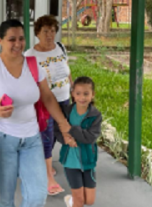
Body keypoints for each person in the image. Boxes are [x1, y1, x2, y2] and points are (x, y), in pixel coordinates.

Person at [0, 19, 73, 207]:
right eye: (11, 39)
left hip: (32, 139)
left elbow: (47, 97)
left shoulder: (33, 65)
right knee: (4, 199)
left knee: (37, 195)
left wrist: (64, 125)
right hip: (2, 140)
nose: (18, 44)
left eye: (21, 39)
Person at [25, 15, 73, 196]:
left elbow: (67, 70)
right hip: (44, 101)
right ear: (37, 33)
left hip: (64, 98)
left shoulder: (60, 48)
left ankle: (44, 162)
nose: (49, 35)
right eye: (45, 31)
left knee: (55, 135)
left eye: (52, 31)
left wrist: (73, 88)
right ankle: (46, 176)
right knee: (46, 134)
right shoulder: (30, 55)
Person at [54, 77, 102, 207]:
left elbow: (90, 138)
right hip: (70, 161)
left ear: (92, 95)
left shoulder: (95, 115)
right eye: (78, 93)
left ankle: (70, 201)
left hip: (88, 161)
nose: (82, 97)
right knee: (80, 200)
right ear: (73, 95)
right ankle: (75, 202)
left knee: (89, 201)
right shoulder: (66, 111)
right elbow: (57, 129)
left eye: (86, 94)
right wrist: (64, 138)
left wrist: (71, 130)